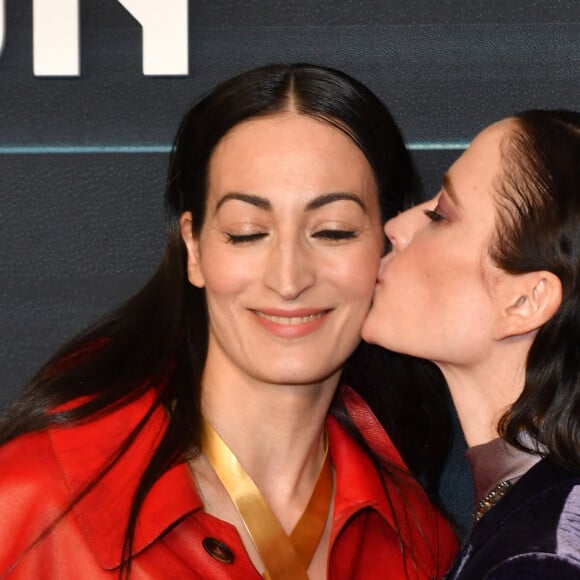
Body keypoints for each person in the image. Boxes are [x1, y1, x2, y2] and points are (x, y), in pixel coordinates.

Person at [0, 63, 457, 579]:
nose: (288, 279)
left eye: (332, 231)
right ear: (194, 248)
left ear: (385, 245)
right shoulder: (32, 503)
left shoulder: (419, 541)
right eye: (247, 232)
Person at [362, 109, 580, 578]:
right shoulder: (534, 520)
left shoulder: (543, 559)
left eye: (440, 214)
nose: (396, 226)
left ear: (524, 300)